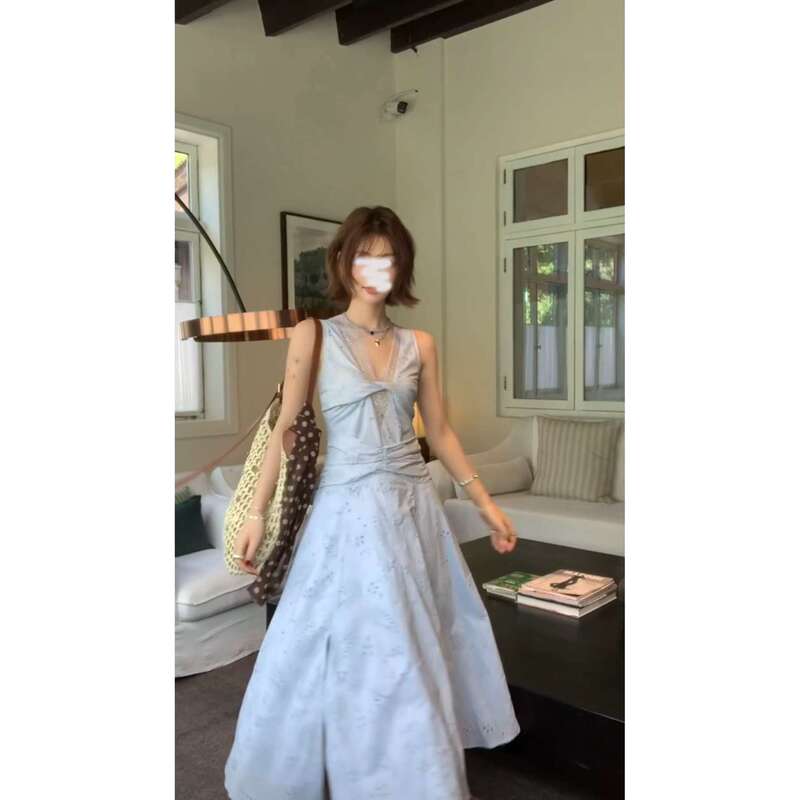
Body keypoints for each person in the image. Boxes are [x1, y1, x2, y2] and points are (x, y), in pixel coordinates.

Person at [224, 206, 521, 800]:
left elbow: (441, 433)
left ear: (400, 268)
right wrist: (256, 513)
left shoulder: (420, 344)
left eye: (387, 260)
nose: (375, 270)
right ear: (343, 262)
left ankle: (415, 774)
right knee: (349, 643)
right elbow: (286, 428)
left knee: (414, 639)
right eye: (364, 257)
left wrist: (486, 503)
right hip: (346, 511)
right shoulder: (314, 335)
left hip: (413, 511)